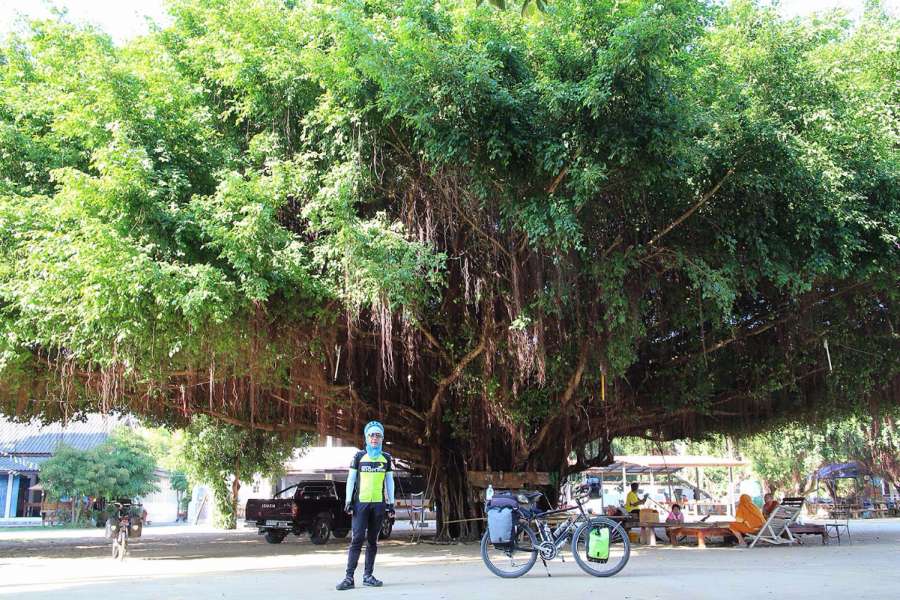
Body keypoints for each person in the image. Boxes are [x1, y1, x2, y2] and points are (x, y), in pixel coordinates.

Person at [336, 421, 395, 591]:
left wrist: (390, 504)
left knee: (373, 541)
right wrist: (348, 501)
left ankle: (368, 576)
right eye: (371, 435)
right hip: (360, 503)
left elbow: (389, 483)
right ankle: (349, 577)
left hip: (378, 504)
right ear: (366, 437)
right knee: (356, 539)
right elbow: (351, 480)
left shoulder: (386, 458)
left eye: (378, 435)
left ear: (382, 438)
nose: (374, 438)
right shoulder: (359, 457)